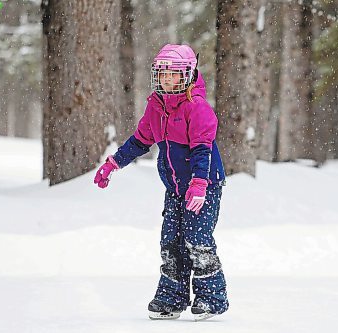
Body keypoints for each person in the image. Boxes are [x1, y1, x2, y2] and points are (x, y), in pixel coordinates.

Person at [94, 44, 229, 321]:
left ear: (188, 76)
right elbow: (139, 141)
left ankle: (211, 298)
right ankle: (172, 298)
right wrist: (113, 163)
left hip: (204, 185)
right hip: (176, 188)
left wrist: (199, 184)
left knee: (197, 239)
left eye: (174, 75)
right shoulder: (156, 107)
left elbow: (202, 151)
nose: (167, 80)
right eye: (163, 74)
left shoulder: (197, 108)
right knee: (171, 241)